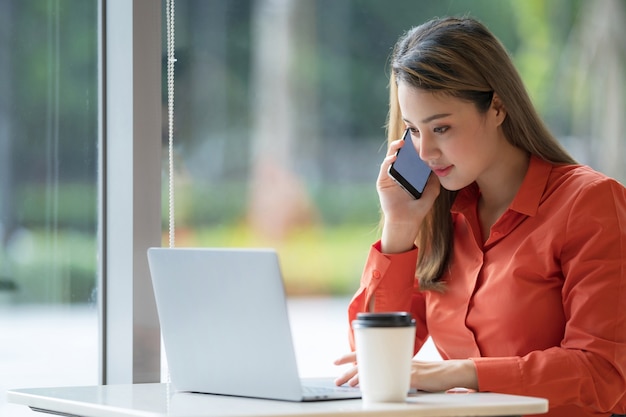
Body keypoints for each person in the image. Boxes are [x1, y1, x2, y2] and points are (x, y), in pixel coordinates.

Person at [333, 16, 626, 417]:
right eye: (414, 131)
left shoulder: (590, 204)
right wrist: (400, 228)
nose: (425, 153)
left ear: (498, 107)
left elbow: (604, 373)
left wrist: (457, 373)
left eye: (442, 128)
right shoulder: (441, 212)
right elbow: (370, 361)